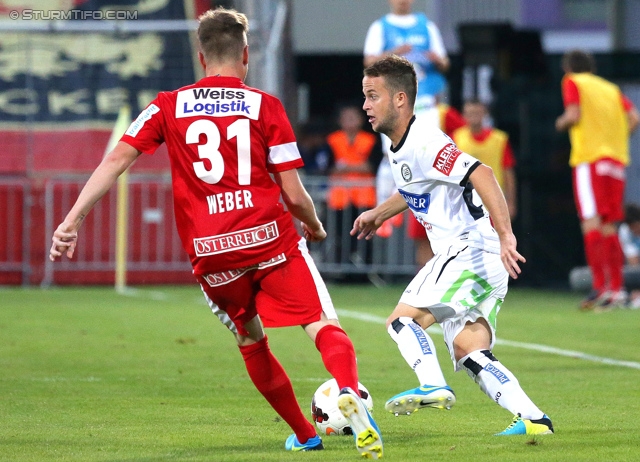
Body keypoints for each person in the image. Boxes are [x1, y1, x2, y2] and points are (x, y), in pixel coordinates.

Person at [48, 7, 382, 459]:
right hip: (271, 240)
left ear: (202, 58)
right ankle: (349, 393)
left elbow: (115, 161)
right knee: (322, 323)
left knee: (250, 338)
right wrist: (315, 225)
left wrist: (72, 221)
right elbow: (294, 193)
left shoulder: (167, 105)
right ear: (245, 55)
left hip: (214, 253)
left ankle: (305, 434)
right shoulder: (265, 105)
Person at [352, 55, 553, 436]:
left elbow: (483, 173)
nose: (365, 105)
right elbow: (415, 188)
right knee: (470, 351)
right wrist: (380, 212)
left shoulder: (425, 141)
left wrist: (506, 234)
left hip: (470, 249)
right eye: (365, 96)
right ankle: (533, 419)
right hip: (478, 256)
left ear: (399, 99)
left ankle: (432, 384)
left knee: (402, 321)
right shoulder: (401, 146)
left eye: (372, 96)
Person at [556, 49, 640, 310]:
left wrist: (559, 124)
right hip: (615, 160)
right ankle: (616, 290)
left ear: (568, 68)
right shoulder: (610, 88)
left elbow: (573, 115)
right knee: (609, 225)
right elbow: (634, 118)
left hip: (590, 158)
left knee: (591, 222)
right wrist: (614, 140)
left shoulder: (573, 82)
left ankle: (600, 287)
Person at [364, 0, 449, 239]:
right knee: (392, 153)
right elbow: (368, 62)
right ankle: (384, 211)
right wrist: (395, 54)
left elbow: (444, 62)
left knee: (428, 156)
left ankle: (428, 210)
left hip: (425, 101)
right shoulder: (380, 28)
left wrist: (436, 59)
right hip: (394, 101)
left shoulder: (427, 26)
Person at [407, 102, 466, 265]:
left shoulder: (443, 113)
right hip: (423, 189)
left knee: (451, 239)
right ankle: (426, 280)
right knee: (423, 238)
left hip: (447, 191)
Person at [453, 99, 517, 219]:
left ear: (485, 113)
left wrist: (511, 202)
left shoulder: (499, 140)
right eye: (470, 113)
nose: (474, 117)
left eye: (477, 113)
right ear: (464, 115)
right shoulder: (456, 138)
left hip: (494, 203)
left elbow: (508, 172)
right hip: (465, 205)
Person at [620, 203, 640, 308]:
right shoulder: (625, 231)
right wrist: (637, 288)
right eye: (630, 227)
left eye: (635, 226)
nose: (633, 230)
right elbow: (633, 259)